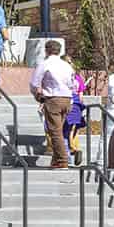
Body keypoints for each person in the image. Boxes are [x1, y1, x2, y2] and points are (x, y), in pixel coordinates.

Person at [30, 40, 76, 169]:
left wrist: (37, 95)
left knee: (55, 132)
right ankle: (56, 160)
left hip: (53, 98)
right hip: (67, 99)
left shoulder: (45, 64)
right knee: (58, 130)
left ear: (47, 50)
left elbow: (34, 83)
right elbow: (72, 83)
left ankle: (62, 160)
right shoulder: (67, 66)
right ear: (59, 51)